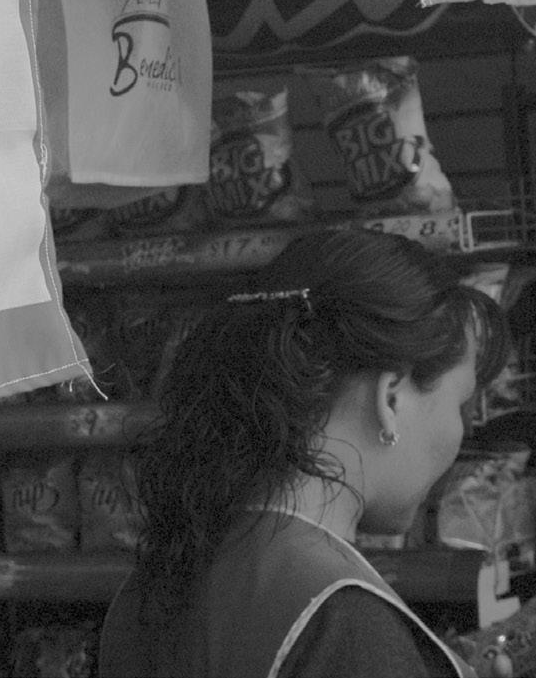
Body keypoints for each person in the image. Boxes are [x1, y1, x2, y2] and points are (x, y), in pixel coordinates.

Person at [100, 229, 507, 678]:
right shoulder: (343, 620)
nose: (462, 432)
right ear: (390, 398)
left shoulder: (148, 591)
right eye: (460, 404)